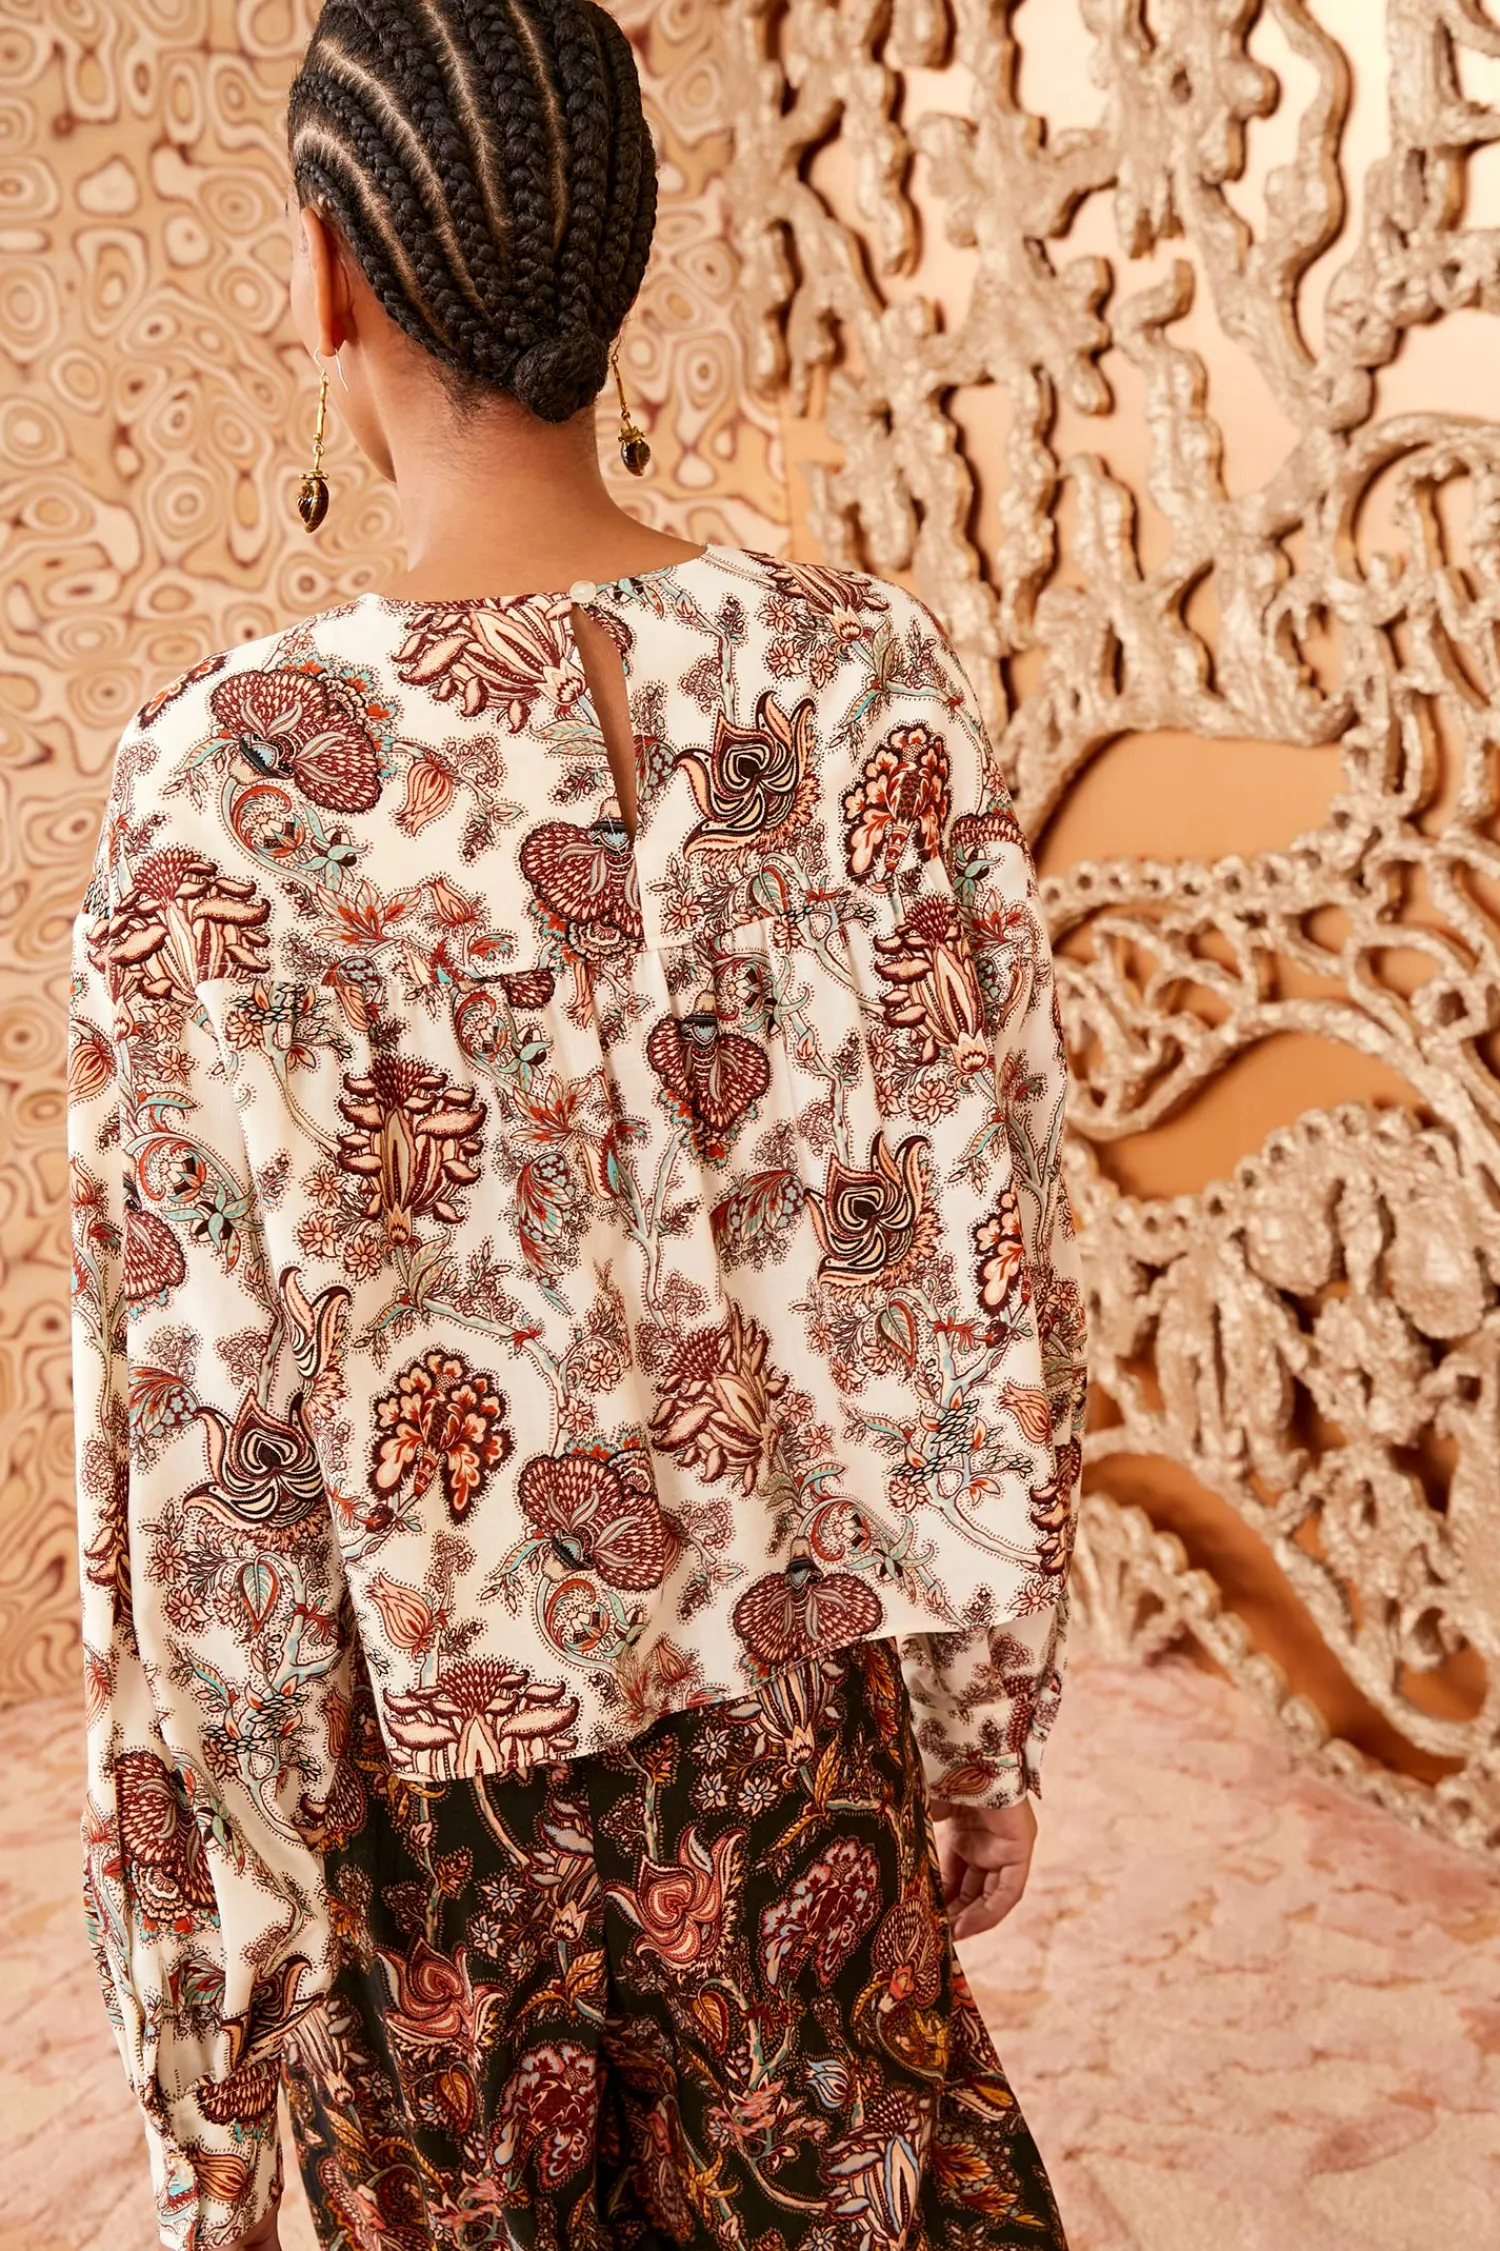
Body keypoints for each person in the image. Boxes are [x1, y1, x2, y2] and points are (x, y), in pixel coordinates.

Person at [66, 4, 1087, 2246]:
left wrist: (215, 2003)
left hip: (430, 1831)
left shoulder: (222, 778)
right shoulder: (868, 677)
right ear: (613, 253)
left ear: (327, 268)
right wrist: (979, 1723)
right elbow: (992, 1234)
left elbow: (197, 1445)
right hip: (806, 1732)